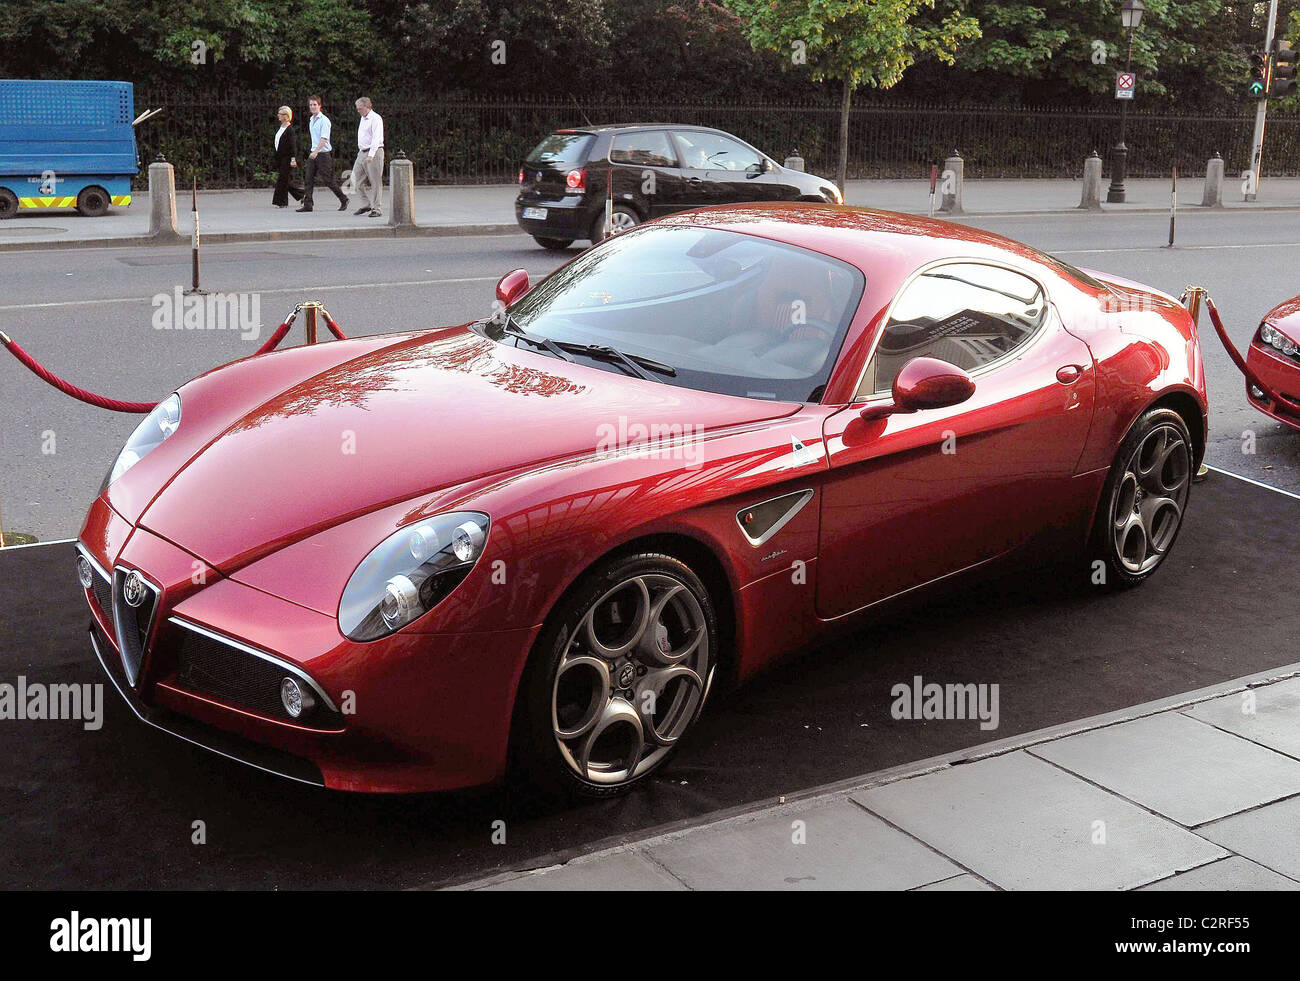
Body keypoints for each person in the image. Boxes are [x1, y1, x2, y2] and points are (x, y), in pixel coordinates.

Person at [298, 95, 349, 213]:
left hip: (323, 154)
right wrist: (313, 152)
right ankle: (308, 204)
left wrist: (316, 152)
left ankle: (344, 199)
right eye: (310, 105)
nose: (312, 107)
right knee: (308, 178)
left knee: (328, 180)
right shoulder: (311, 120)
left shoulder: (324, 120)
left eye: (315, 104)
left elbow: (324, 138)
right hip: (314, 153)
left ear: (320, 106)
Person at [352, 96, 385, 217]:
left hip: (374, 152)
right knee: (355, 179)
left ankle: (377, 208)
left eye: (360, 108)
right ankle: (366, 204)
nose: (358, 111)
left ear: (367, 107)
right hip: (362, 152)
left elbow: (376, 138)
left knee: (375, 181)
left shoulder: (375, 118)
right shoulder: (363, 117)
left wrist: (371, 155)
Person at [270, 106, 303, 208]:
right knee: (285, 180)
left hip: (287, 158)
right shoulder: (281, 128)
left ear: (286, 116)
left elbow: (293, 146)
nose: (278, 116)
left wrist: (293, 158)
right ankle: (303, 195)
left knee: (282, 180)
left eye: (280, 114)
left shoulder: (290, 130)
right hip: (281, 157)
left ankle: (282, 202)